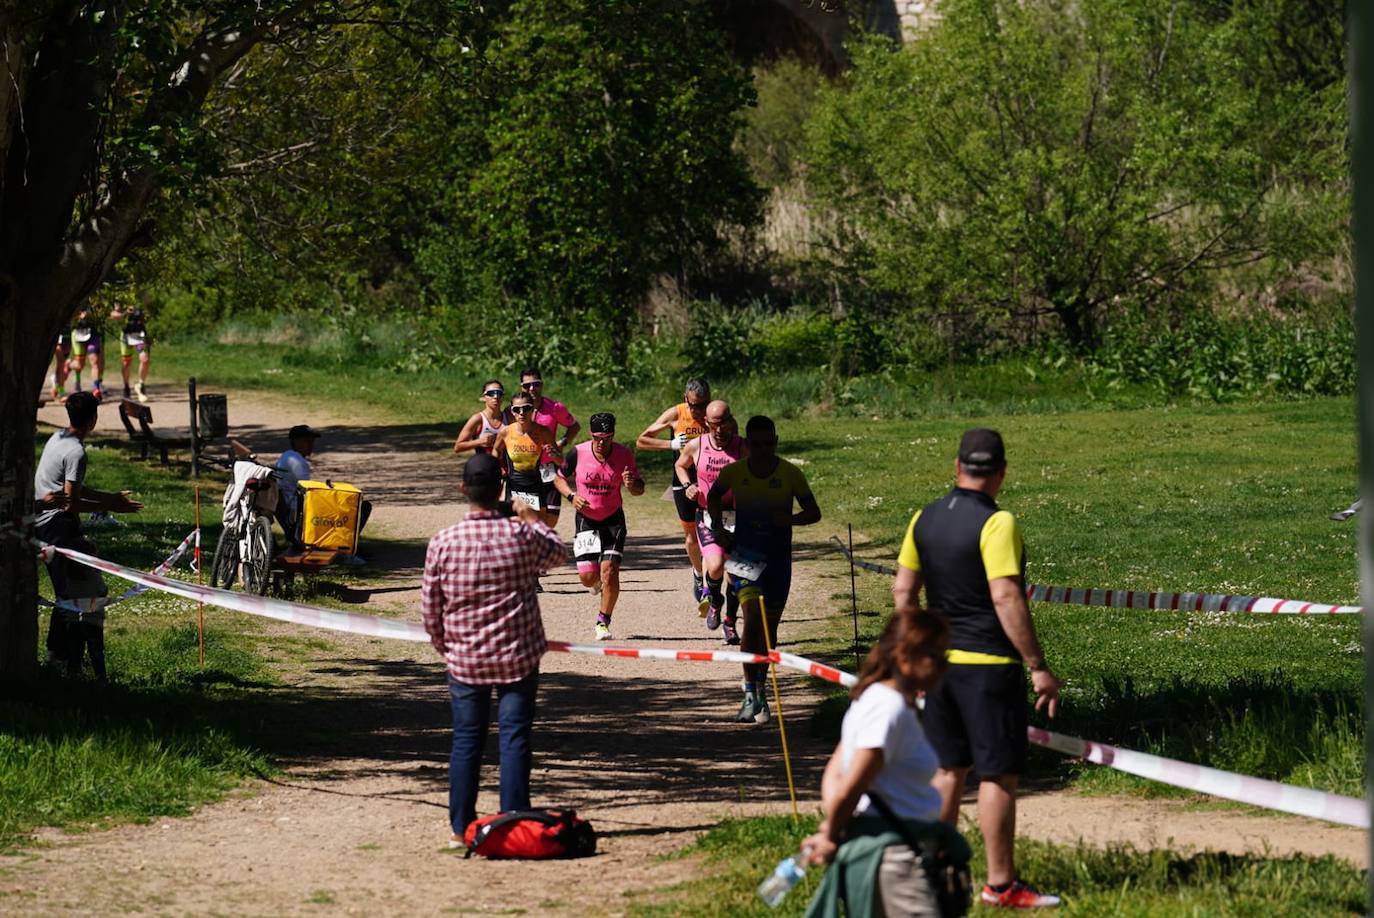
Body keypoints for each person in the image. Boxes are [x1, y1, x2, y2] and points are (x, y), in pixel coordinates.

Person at [893, 428, 1063, 910]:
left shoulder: (922, 518)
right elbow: (1005, 595)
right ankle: (1001, 884)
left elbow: (903, 593)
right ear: (1002, 473)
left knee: (948, 769)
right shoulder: (998, 522)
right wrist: (1038, 665)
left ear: (957, 466)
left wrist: (914, 649)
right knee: (997, 776)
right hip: (988, 667)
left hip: (938, 666)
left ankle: (930, 870)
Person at [421, 453, 567, 849]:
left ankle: (459, 827)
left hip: (466, 659)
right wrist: (530, 517)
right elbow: (559, 553)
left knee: (467, 740)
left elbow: (430, 609)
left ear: (463, 489)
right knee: (515, 738)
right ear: (502, 489)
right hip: (518, 656)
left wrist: (446, 647)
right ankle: (513, 820)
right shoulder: (522, 535)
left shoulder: (443, 542)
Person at [800, 609, 967, 918]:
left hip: (891, 849)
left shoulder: (874, 699)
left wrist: (832, 824)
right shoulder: (889, 710)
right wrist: (831, 834)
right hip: (896, 858)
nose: (944, 668)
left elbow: (836, 772)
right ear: (905, 655)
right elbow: (852, 784)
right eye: (936, 656)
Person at [709, 415, 821, 723]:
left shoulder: (790, 474)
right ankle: (748, 692)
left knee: (769, 631)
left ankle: (760, 689)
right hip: (745, 555)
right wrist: (718, 528)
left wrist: (791, 520)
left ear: (776, 442)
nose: (762, 449)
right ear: (748, 444)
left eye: (768, 443)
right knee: (752, 620)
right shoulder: (735, 472)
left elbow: (814, 512)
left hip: (778, 560)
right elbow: (713, 495)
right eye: (756, 444)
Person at [33, 391, 144, 677]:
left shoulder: (58, 438)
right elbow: (71, 503)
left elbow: (72, 492)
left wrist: (108, 499)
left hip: (48, 522)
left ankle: (63, 657)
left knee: (72, 593)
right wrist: (113, 506)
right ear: (93, 419)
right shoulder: (77, 452)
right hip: (57, 525)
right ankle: (60, 659)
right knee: (73, 594)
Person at [555, 412, 645, 641]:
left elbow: (638, 490)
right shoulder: (579, 452)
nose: (602, 442)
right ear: (590, 434)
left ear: (613, 435)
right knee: (587, 578)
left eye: (607, 437)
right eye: (597, 437)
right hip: (586, 519)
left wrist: (632, 484)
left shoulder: (624, 455)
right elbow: (558, 477)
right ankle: (596, 584)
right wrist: (571, 496)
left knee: (610, 571)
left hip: (613, 520)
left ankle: (603, 621)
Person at [675, 399, 745, 642]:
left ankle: (730, 622)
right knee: (714, 566)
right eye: (714, 425)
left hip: (739, 517)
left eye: (723, 424)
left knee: (736, 574)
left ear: (730, 421)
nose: (719, 430)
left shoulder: (742, 447)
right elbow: (680, 465)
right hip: (708, 515)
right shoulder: (697, 445)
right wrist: (687, 486)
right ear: (707, 423)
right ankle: (715, 602)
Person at [636, 378, 711, 601]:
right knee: (691, 537)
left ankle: (710, 583)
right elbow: (642, 440)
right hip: (683, 480)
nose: (698, 410)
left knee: (711, 534)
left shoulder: (715, 413)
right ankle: (698, 573)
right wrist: (670, 445)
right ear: (684, 399)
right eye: (694, 405)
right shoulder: (676, 414)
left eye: (703, 404)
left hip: (711, 482)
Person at [274, 424, 372, 557]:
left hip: (291, 512)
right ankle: (345, 549)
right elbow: (308, 491)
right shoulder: (297, 462)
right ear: (295, 441)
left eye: (311, 441)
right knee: (360, 507)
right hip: (297, 513)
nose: (310, 445)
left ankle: (345, 544)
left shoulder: (286, 456)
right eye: (306, 441)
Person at [493, 392, 563, 527]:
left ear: (533, 410)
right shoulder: (506, 432)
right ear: (512, 411)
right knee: (511, 525)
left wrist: (554, 455)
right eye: (516, 409)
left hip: (535, 485)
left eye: (526, 408)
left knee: (538, 526)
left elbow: (560, 461)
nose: (521, 413)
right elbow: (496, 450)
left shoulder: (543, 431)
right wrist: (497, 466)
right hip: (513, 484)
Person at [521, 368, 580, 522]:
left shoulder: (554, 408)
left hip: (548, 466)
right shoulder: (515, 410)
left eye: (536, 384)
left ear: (542, 385)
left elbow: (574, 426)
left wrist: (561, 443)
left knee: (551, 518)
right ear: (521, 387)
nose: (532, 388)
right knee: (529, 516)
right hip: (525, 468)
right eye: (527, 386)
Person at [452, 379, 512, 456]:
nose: (495, 397)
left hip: (506, 466)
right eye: (491, 393)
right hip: (485, 465)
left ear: (503, 396)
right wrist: (481, 441)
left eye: (499, 393)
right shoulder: (478, 419)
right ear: (484, 397)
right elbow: (458, 447)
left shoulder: (509, 417)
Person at [110, 303, 152, 402]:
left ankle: (141, 384)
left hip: (139, 335)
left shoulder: (141, 296)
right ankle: (126, 386)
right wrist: (125, 313)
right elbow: (113, 315)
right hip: (126, 336)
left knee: (145, 359)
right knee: (126, 363)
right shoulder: (123, 298)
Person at [68, 307, 105, 400]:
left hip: (92, 334)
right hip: (78, 333)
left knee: (94, 361)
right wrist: (78, 315)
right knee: (80, 365)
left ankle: (96, 389)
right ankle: (68, 365)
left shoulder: (96, 300)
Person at [49, 327, 72, 402]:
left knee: (63, 363)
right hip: (58, 336)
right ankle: (61, 392)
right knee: (61, 363)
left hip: (68, 336)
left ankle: (55, 385)